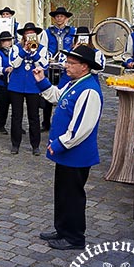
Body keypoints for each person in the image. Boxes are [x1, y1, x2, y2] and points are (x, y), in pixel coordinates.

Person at [33, 45, 103, 250]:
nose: (66, 66)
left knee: (73, 196)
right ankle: (62, 229)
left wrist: (59, 144)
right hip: (67, 154)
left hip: (76, 154)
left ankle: (74, 238)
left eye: (71, 63)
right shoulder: (75, 83)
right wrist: (41, 81)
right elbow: (57, 97)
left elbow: (82, 127)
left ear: (84, 66)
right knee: (62, 193)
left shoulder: (89, 90)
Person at [8, 23, 49, 155]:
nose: (29, 36)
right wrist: (24, 50)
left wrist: (34, 53)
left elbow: (43, 65)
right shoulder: (15, 48)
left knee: (34, 116)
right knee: (16, 116)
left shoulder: (42, 49)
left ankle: (35, 145)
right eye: (27, 34)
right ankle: (15, 144)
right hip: (17, 86)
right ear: (24, 36)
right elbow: (14, 64)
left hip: (33, 86)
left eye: (32, 34)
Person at [42, 7, 77, 131]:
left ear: (66, 18)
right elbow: (43, 48)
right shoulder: (47, 32)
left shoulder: (73, 31)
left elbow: (75, 47)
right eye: (57, 16)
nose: (59, 19)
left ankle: (64, 123)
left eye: (62, 16)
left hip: (67, 67)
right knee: (49, 93)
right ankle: (46, 123)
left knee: (66, 94)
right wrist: (47, 58)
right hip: (51, 66)